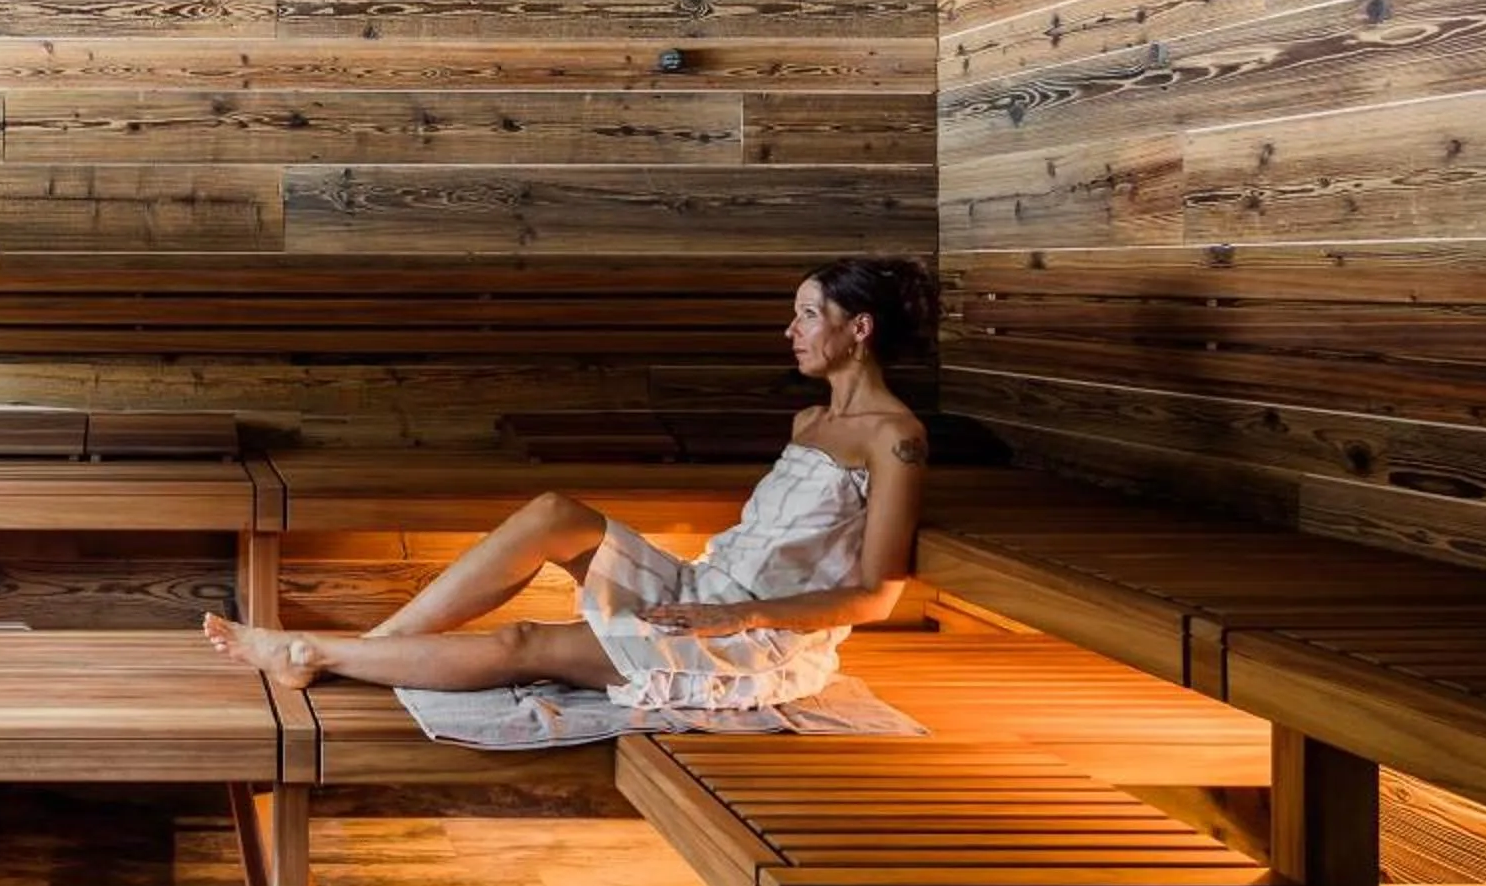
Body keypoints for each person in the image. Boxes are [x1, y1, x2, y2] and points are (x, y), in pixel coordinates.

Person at [203, 257, 936, 710]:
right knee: (556, 513)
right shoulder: (809, 420)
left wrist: (738, 618)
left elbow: (875, 596)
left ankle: (315, 652)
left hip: (757, 636)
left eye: (808, 314)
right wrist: (711, 600)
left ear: (860, 328)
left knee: (525, 640)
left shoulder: (895, 439)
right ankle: (373, 647)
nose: (790, 330)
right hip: (702, 588)